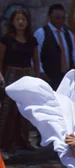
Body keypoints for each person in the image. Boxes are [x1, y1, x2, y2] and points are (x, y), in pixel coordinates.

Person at [0, 8, 40, 152]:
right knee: (7, 109)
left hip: (27, 75)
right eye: (18, 19)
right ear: (12, 22)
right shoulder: (6, 39)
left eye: (23, 19)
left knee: (25, 109)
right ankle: (5, 144)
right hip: (11, 75)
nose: (21, 22)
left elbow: (35, 60)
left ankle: (24, 141)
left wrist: (36, 76)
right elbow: (1, 59)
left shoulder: (32, 40)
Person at [34, 3, 75, 90]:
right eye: (57, 17)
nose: (60, 20)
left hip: (66, 77)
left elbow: (73, 54)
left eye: (63, 17)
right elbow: (36, 55)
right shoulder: (41, 33)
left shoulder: (68, 33)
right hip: (48, 76)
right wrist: (41, 72)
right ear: (50, 17)